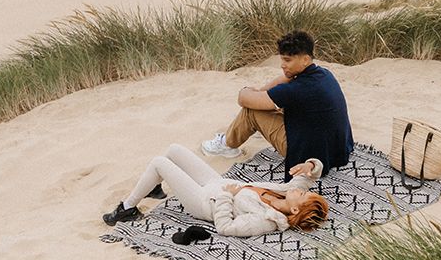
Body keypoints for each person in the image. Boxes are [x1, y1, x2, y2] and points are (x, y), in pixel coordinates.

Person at [201, 30, 354, 180]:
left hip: (308, 159)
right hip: (336, 151)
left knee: (251, 111)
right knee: (271, 105)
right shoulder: (324, 74)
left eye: (287, 60)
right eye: (282, 60)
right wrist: (262, 91)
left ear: (306, 60)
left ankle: (227, 145)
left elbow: (244, 100)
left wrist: (248, 91)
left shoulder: (295, 89)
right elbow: (275, 87)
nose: (282, 65)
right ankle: (245, 132)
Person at [103, 143, 328, 236]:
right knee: (174, 150)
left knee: (159, 162)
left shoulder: (266, 221)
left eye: (303, 196)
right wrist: (311, 165)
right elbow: (310, 177)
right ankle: (153, 187)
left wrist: (226, 196)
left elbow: (225, 228)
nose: (302, 190)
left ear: (295, 211)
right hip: (215, 182)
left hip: (204, 202)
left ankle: (127, 208)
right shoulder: (285, 192)